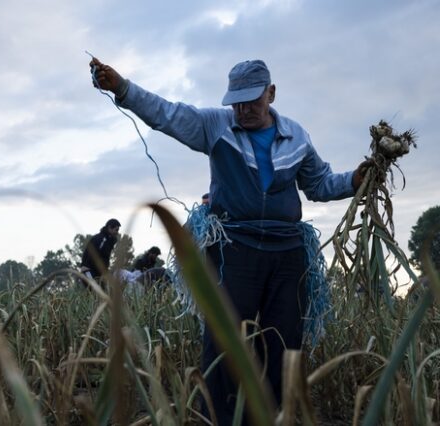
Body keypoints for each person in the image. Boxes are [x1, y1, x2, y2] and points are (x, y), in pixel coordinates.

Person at [89, 57, 368, 424]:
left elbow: (318, 183)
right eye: (236, 101)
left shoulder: (297, 136)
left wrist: (355, 180)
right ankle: (219, 418)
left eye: (252, 100)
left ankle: (275, 416)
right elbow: (167, 114)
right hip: (234, 250)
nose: (243, 109)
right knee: (225, 344)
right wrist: (123, 88)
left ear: (271, 93)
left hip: (287, 255)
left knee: (283, 345)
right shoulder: (215, 126)